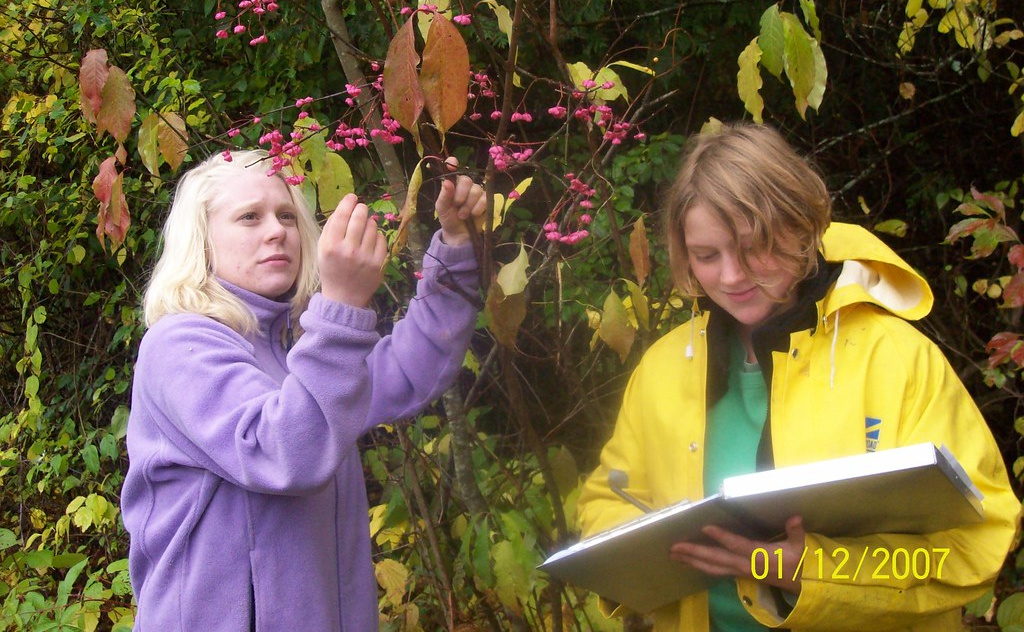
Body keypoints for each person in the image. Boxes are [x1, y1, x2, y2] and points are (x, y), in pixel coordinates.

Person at [577, 122, 1020, 631]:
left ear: (803, 226)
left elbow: (978, 541)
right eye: (706, 256)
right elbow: (605, 501)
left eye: (753, 248)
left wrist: (817, 569)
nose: (731, 276)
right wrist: (647, 552)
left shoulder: (895, 358)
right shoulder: (663, 366)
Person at [121, 149, 486, 631]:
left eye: (287, 215)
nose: (277, 230)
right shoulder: (180, 343)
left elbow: (408, 370)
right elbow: (283, 451)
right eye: (249, 217)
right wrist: (341, 308)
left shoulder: (298, 349)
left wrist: (457, 248)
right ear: (201, 242)